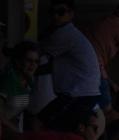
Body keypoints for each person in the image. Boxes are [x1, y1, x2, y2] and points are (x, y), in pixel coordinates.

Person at [39, 0, 103, 130]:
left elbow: (34, 54)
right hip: (83, 94)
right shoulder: (68, 33)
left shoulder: (64, 34)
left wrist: (12, 53)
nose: (56, 16)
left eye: (61, 12)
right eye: (52, 12)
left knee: (39, 124)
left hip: (78, 94)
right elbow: (51, 67)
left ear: (71, 14)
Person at [0, 40, 41, 128]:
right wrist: (10, 127)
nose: (33, 65)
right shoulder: (8, 80)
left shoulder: (30, 81)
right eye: (29, 60)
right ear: (18, 61)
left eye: (36, 61)